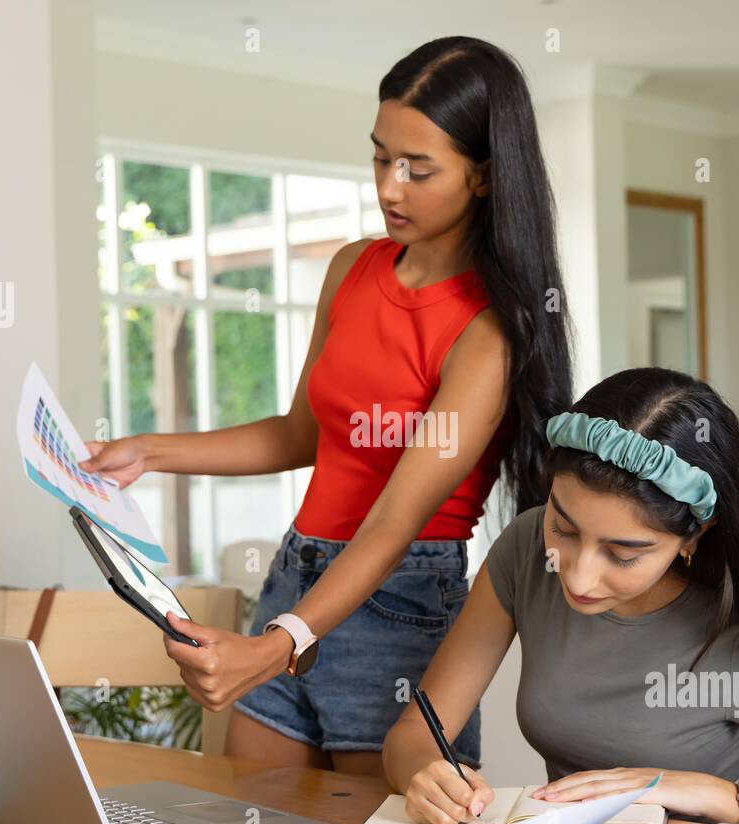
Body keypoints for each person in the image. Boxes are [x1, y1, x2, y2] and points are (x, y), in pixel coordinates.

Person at [80, 36, 573, 780]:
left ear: (483, 177)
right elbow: (298, 434)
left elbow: (394, 520)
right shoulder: (353, 268)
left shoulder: (488, 333)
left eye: (419, 168)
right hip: (299, 572)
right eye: (381, 157)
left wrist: (275, 645)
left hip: (399, 598)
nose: (390, 187)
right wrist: (150, 451)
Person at [383, 367, 739, 824]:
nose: (580, 578)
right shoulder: (524, 547)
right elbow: (415, 732)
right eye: (562, 527)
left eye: (624, 555)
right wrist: (427, 777)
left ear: (694, 536)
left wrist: (717, 797)